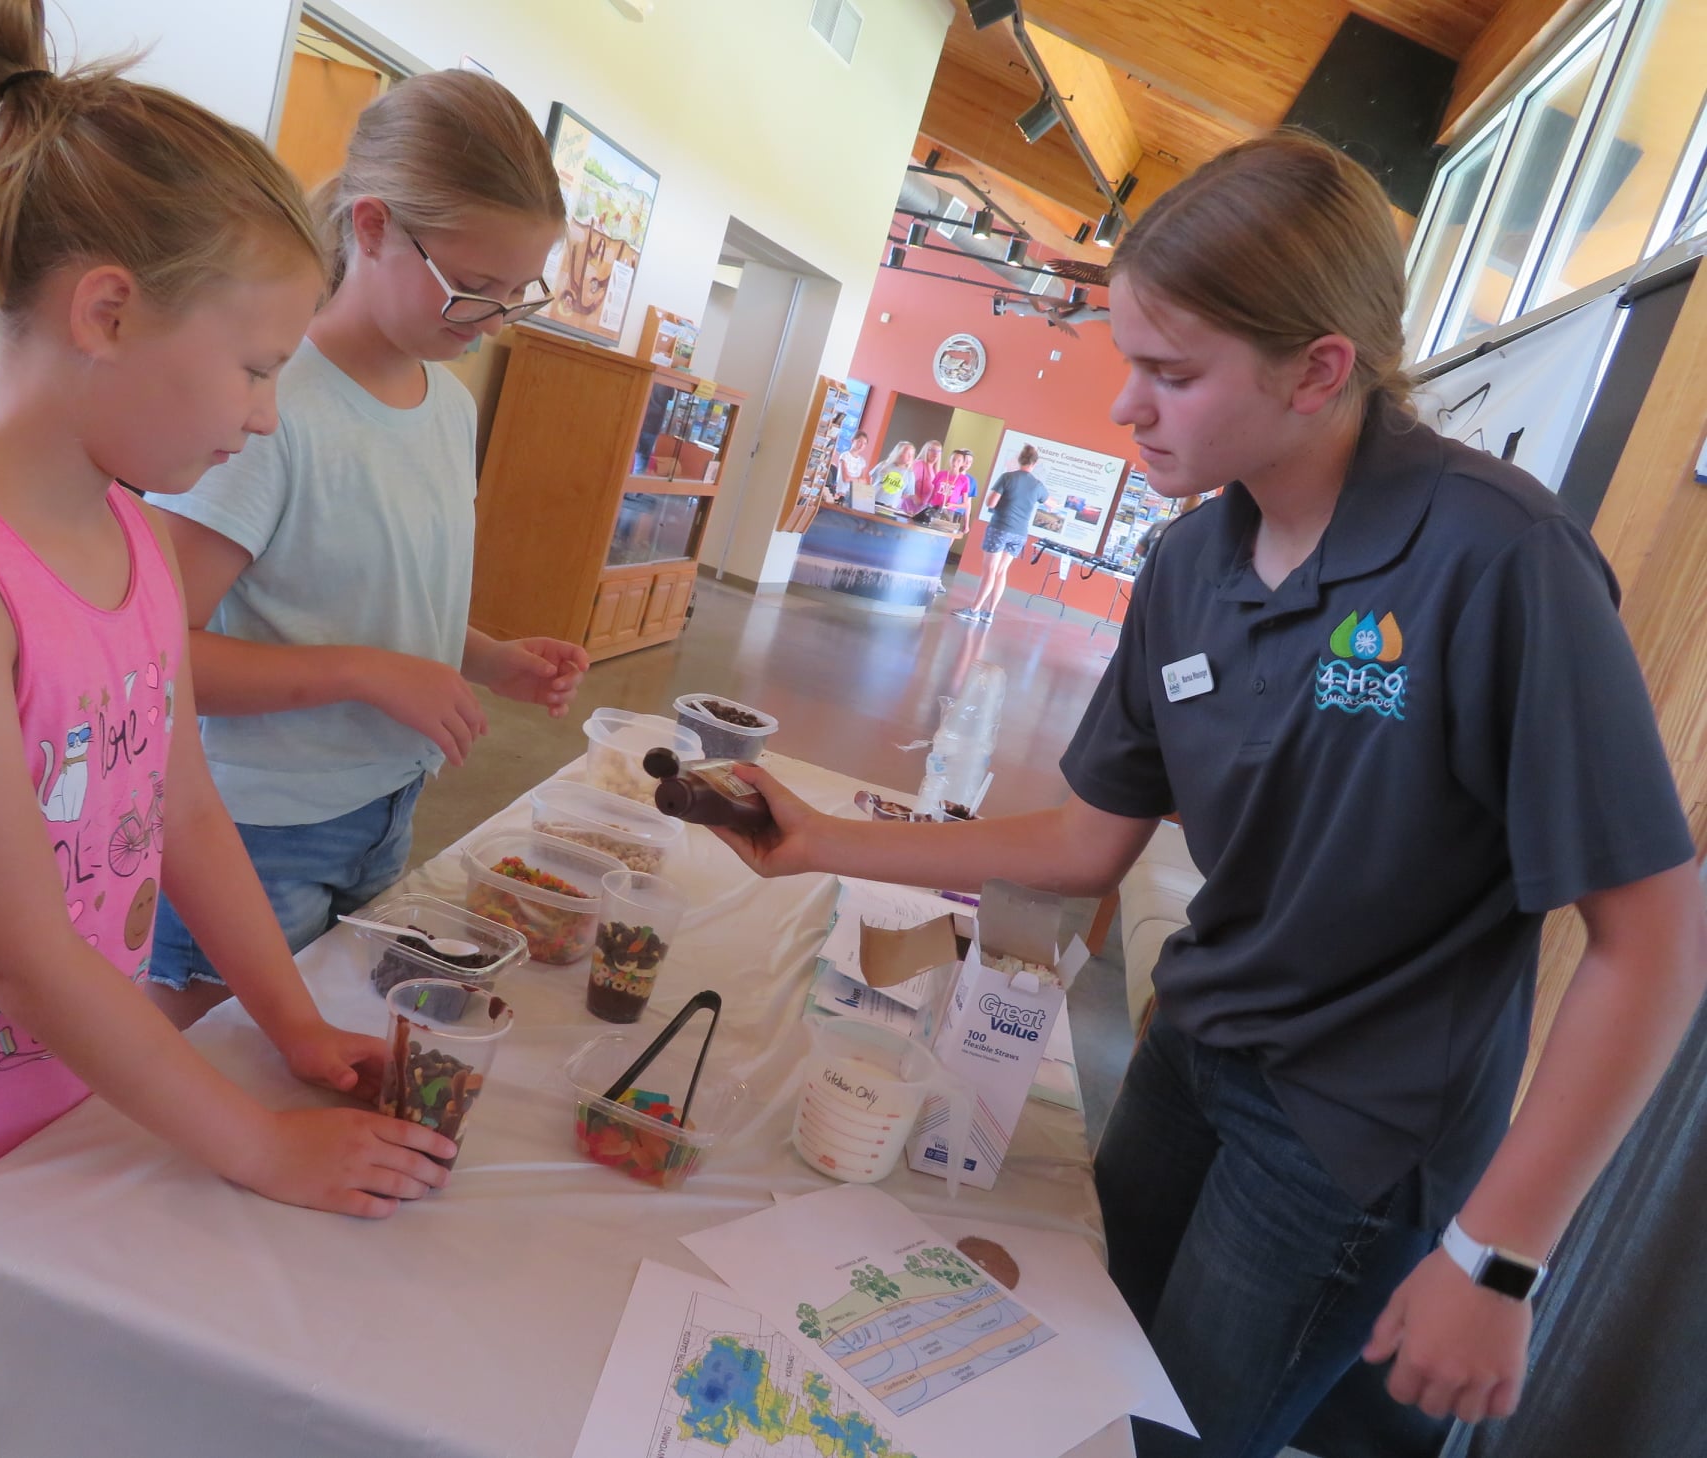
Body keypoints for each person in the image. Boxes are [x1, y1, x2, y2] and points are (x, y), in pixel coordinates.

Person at [707, 132, 1706, 1458]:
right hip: (1195, 1048)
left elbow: (1656, 941)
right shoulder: (1193, 558)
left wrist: (1498, 1256)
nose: (1129, 407)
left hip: (1353, 1128)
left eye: (1170, 375)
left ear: (1320, 369)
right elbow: (1084, 836)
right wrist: (821, 834)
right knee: (1085, 1366)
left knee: (1175, 1431)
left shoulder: (1500, 561)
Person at [0, 3, 458, 1450]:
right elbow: (15, 939)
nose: (269, 418)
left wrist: (291, 1025)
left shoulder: (135, 537)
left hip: (57, 1122)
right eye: (260, 366)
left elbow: (184, 807)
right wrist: (257, 1138)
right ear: (109, 310)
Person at [142, 71, 588, 1025]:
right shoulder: (270, 407)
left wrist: (483, 656)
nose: (495, 320)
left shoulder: (448, 406)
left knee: (315, 1050)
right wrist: (365, 673)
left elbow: (377, 588)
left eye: (517, 294)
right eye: (473, 288)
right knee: (218, 1070)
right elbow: (146, 654)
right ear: (374, 227)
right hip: (250, 827)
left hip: (384, 804)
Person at [953, 443, 1047, 623]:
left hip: (1000, 528)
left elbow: (991, 503)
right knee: (1001, 571)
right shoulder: (1037, 485)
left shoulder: (1007, 478)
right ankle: (989, 613)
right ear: (1035, 463)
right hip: (1019, 534)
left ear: (1020, 459)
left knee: (990, 571)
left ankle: (974, 610)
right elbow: (1048, 502)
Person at [869, 440, 916, 510]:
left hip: (890, 507)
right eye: (907, 453)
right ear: (899, 453)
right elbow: (872, 481)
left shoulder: (909, 474)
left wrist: (894, 498)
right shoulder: (883, 465)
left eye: (912, 454)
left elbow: (907, 494)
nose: (910, 457)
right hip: (873, 502)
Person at [905, 439, 944, 511]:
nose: (935, 454)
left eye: (938, 451)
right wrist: (914, 497)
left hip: (920, 511)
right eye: (932, 450)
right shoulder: (918, 465)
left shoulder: (936, 472)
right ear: (926, 451)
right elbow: (905, 484)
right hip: (907, 509)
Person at [833, 430, 871, 503]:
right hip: (841, 493)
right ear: (853, 440)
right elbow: (846, 478)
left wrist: (857, 480)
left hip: (854, 496)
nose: (861, 445)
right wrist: (859, 480)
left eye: (865, 444)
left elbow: (864, 480)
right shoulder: (845, 456)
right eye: (859, 441)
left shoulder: (862, 461)